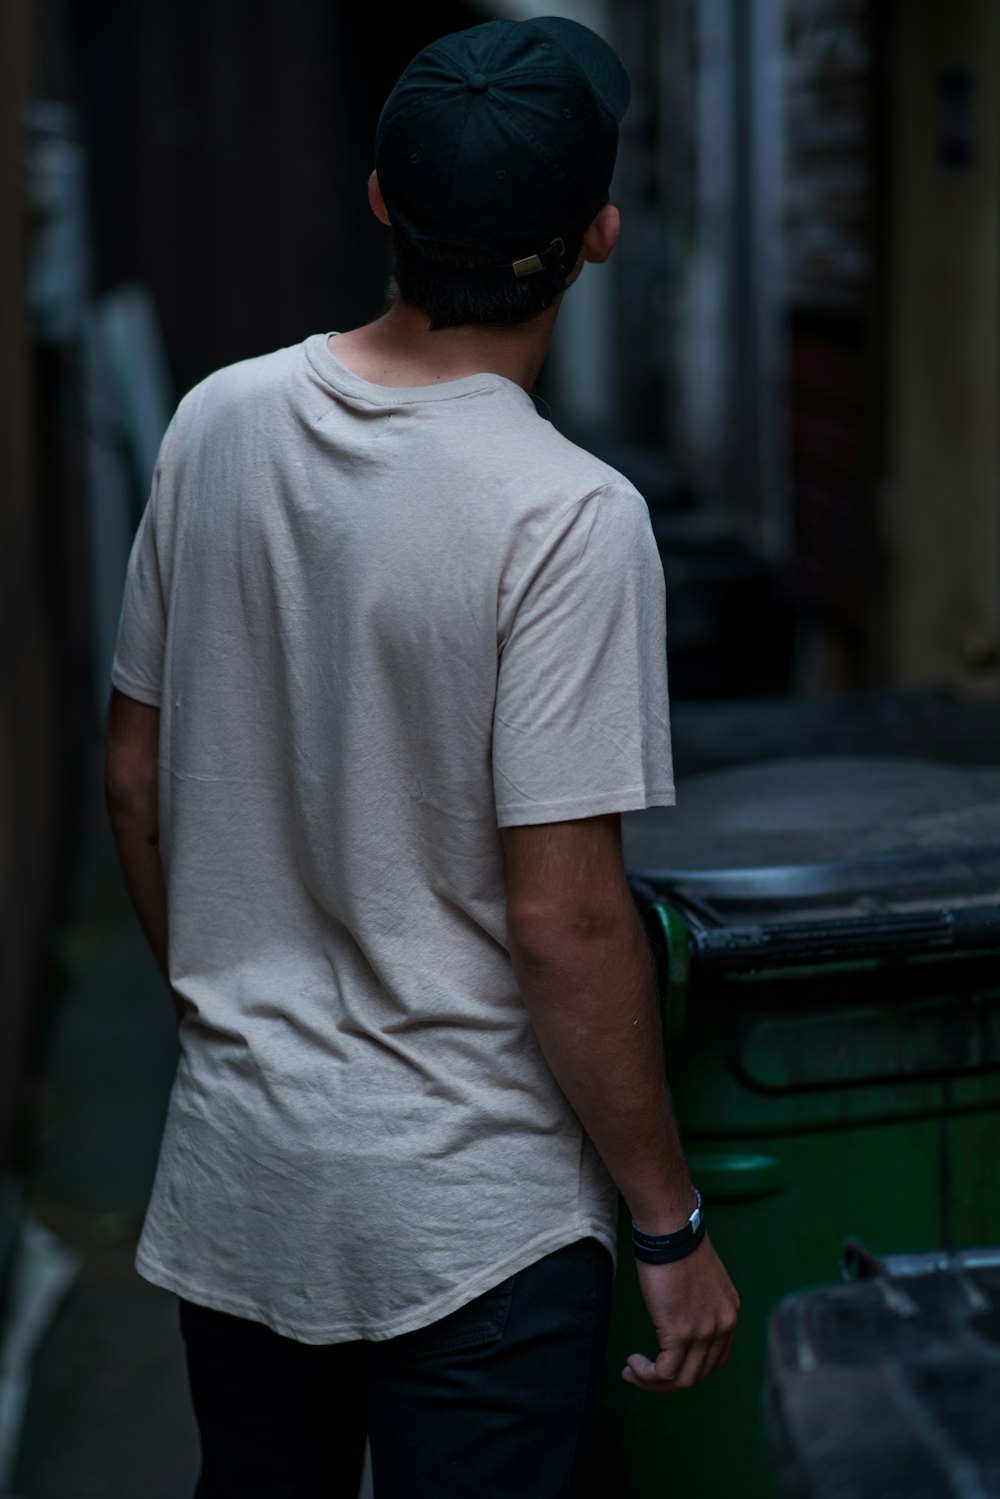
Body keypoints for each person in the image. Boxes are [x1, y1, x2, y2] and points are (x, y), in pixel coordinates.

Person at [104, 15, 739, 1499]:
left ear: (382, 200)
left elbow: (133, 781)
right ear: (597, 234)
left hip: (241, 1172)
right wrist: (670, 1227)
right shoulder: (568, 517)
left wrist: (239, 1021)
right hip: (477, 1219)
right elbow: (570, 923)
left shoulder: (216, 423)